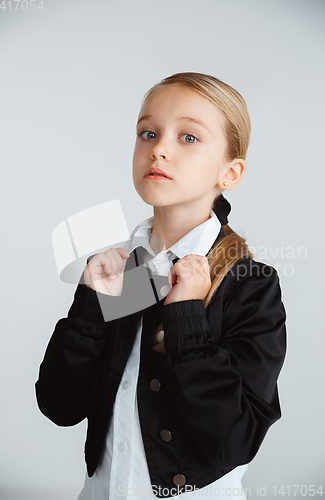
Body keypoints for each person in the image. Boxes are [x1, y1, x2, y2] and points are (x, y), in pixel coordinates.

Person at [35, 72, 287, 499]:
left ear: (231, 172)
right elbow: (59, 406)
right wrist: (91, 309)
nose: (160, 149)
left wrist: (186, 314)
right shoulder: (118, 272)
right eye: (148, 133)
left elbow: (234, 440)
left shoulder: (251, 285)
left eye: (189, 138)